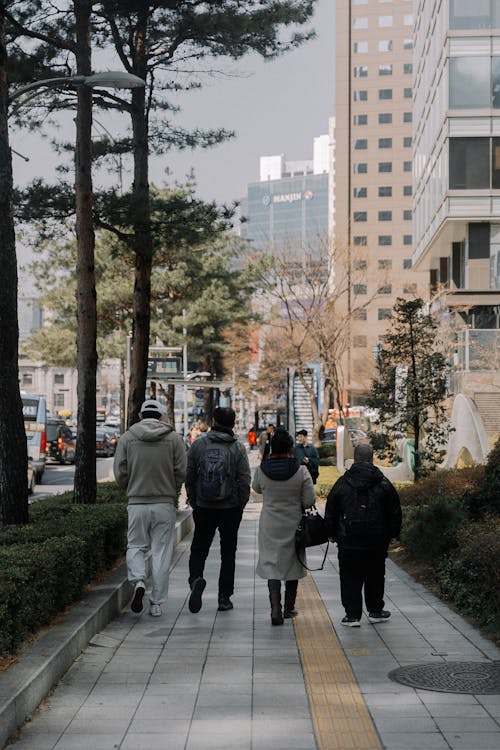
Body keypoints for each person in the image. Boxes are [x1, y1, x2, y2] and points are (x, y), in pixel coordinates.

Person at [113, 398, 187, 617]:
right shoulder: (174, 438)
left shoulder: (127, 438)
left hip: (137, 503)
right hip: (164, 503)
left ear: (141, 416)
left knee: (135, 546)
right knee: (161, 552)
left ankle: (138, 582)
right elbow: (181, 470)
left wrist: (131, 486)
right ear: (161, 417)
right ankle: (156, 604)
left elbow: (120, 471)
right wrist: (171, 487)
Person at [324, 443, 402, 627]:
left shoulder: (343, 482)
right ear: (372, 458)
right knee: (375, 574)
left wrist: (332, 533)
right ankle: (375, 610)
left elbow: (331, 509)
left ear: (355, 459)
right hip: (376, 540)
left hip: (348, 540)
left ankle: (352, 615)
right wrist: (393, 533)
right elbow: (394, 510)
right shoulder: (383, 483)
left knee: (349, 576)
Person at [186, 406, 251, 613]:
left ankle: (196, 579)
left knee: (198, 549)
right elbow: (244, 480)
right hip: (230, 508)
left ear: (214, 421)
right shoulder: (237, 448)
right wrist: (240, 505)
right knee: (228, 553)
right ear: (233, 423)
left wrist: (193, 500)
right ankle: (224, 597)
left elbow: (189, 476)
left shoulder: (199, 445)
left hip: (204, 507)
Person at [252, 428, 316, 626]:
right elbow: (309, 501)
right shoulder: (301, 470)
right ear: (290, 448)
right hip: (293, 523)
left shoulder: (262, 469)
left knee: (272, 564)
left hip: (270, 523)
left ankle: (275, 608)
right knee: (292, 563)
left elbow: (255, 488)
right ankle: (289, 608)